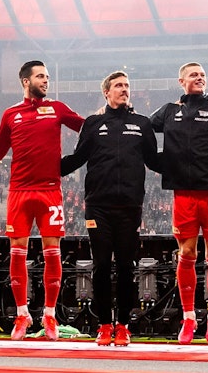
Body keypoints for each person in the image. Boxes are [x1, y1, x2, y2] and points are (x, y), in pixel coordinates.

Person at [0, 60, 85, 340]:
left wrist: (77, 160)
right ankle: (22, 314)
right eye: (41, 76)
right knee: (18, 251)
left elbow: (86, 129)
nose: (46, 80)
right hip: (18, 191)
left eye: (47, 76)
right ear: (25, 81)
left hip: (50, 190)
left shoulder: (57, 108)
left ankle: (50, 316)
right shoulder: (11, 114)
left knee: (52, 250)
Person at [59, 71, 158, 347]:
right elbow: (78, 158)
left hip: (130, 206)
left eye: (127, 85)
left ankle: (124, 325)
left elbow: (154, 161)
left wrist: (188, 165)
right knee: (101, 265)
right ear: (106, 92)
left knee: (126, 266)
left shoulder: (142, 124)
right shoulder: (93, 123)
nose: (124, 90)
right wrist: (46, 168)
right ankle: (104, 325)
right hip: (98, 205)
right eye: (118, 86)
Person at [150, 62, 208, 344]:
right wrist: (161, 165)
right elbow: (143, 132)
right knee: (187, 254)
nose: (200, 78)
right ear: (181, 81)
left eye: (203, 75)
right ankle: (189, 319)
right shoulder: (168, 111)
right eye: (194, 75)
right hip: (183, 194)